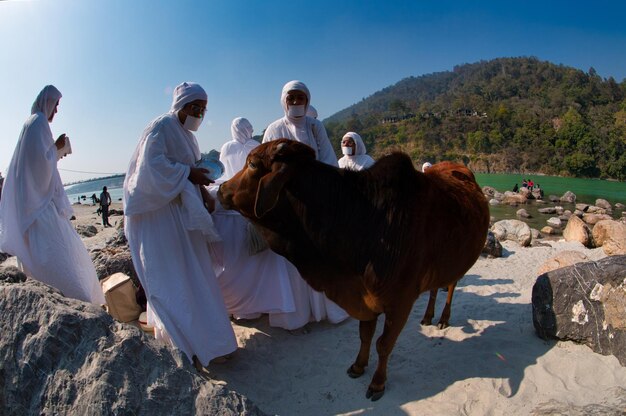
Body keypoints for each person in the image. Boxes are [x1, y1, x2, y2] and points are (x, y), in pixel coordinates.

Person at [123, 82, 237, 368]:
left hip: (181, 215)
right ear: (180, 105)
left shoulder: (188, 137)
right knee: (173, 279)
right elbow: (150, 168)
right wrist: (189, 174)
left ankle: (210, 342)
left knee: (196, 276)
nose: (198, 113)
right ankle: (185, 345)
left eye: (202, 109)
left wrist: (203, 194)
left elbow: (194, 169)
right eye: (193, 107)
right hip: (157, 218)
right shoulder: (161, 126)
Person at [0, 85, 104, 304]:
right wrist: (57, 148)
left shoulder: (32, 124)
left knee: (61, 255)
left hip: (37, 205)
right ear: (46, 102)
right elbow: (38, 168)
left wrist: (55, 152)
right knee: (61, 257)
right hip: (41, 210)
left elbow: (38, 164)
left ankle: (77, 299)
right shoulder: (37, 122)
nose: (56, 111)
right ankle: (80, 300)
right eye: (55, 106)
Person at [263, 80, 348, 330]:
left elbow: (328, 160)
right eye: (292, 99)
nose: (296, 103)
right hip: (288, 204)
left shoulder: (315, 126)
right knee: (292, 261)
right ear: (284, 101)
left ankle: (327, 310)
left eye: (301, 98)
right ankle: (296, 316)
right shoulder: (274, 129)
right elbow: (269, 166)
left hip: (316, 200)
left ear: (307, 100)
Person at [209, 117, 295, 321]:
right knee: (261, 262)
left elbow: (225, 172)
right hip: (252, 197)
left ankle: (237, 306)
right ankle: (265, 303)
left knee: (235, 260)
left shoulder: (227, 146)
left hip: (232, 195)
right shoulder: (257, 145)